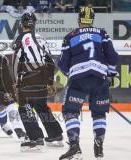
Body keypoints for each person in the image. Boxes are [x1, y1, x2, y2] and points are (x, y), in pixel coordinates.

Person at [58, 6, 118, 160]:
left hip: (78, 78)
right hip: (99, 77)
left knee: (70, 111)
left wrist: (69, 73)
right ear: (92, 19)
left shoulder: (70, 36)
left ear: (79, 19)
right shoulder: (102, 33)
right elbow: (112, 56)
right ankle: (99, 147)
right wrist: (109, 72)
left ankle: (74, 147)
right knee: (99, 113)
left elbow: (63, 64)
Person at [12, 12, 63, 151]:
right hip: (42, 76)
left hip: (28, 77)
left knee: (24, 107)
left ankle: (35, 139)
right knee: (41, 106)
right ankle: (56, 135)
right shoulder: (41, 38)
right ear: (34, 24)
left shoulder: (20, 39)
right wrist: (50, 81)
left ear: (21, 24)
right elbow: (50, 61)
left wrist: (16, 82)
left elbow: (16, 62)